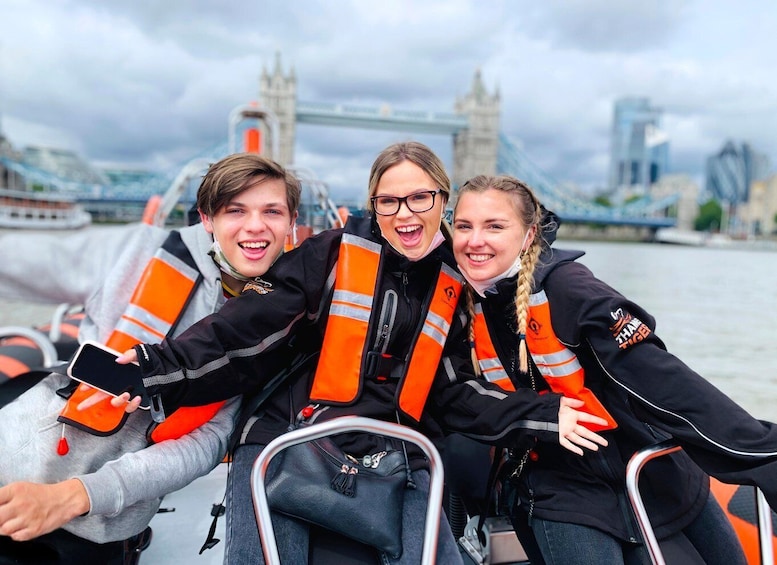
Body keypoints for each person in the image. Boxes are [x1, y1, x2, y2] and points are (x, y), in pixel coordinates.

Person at [117, 141, 608, 564]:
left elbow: (458, 393)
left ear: (443, 201)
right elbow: (242, 332)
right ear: (374, 206)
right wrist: (151, 370)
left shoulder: (459, 282)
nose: (406, 213)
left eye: (420, 197)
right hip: (288, 437)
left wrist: (545, 415)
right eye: (389, 201)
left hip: (398, 450)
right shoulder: (327, 255)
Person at [450, 174, 777, 565]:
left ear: (529, 234)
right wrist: (541, 418)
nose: (474, 240)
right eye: (464, 226)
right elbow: (454, 395)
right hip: (559, 488)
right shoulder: (456, 300)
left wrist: (762, 452)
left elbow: (662, 377)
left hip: (653, 471)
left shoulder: (571, 291)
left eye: (494, 226)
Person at [0, 152, 301, 563]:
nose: (255, 226)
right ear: (207, 219)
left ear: (292, 223)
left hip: (97, 523)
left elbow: (206, 442)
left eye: (272, 211)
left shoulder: (282, 318)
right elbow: (40, 269)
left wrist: (76, 496)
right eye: (236, 210)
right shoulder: (145, 252)